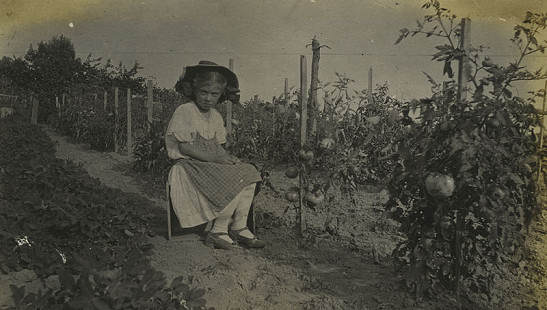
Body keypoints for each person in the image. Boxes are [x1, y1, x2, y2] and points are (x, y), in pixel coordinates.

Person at [165, 60, 266, 250]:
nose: (208, 99)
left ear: (221, 95)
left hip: (209, 163)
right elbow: (185, 148)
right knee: (232, 178)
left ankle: (239, 226)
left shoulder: (216, 116)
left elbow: (218, 147)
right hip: (189, 164)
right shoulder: (185, 111)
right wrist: (218, 160)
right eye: (204, 92)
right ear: (193, 89)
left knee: (249, 172)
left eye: (214, 94)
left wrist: (229, 159)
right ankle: (218, 231)